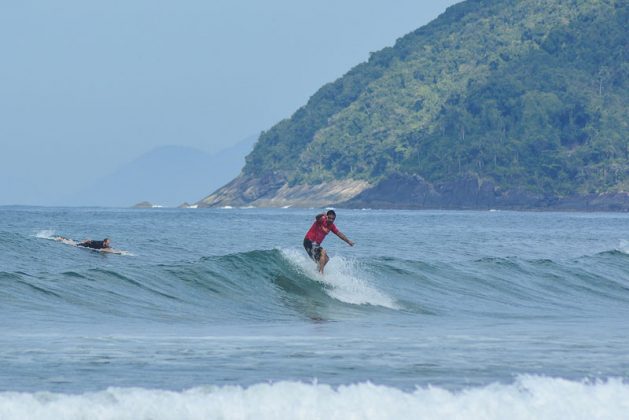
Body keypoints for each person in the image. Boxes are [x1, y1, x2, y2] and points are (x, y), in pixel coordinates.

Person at [303, 210, 354, 274]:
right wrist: (322, 215)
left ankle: (316, 272)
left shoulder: (331, 226)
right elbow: (317, 217)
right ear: (327, 217)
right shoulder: (321, 220)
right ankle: (321, 274)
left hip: (316, 245)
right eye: (329, 218)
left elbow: (339, 234)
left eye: (333, 219)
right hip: (309, 241)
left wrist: (348, 241)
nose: (331, 220)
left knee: (326, 259)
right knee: (323, 252)